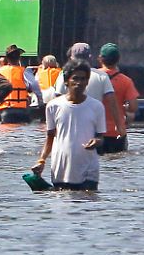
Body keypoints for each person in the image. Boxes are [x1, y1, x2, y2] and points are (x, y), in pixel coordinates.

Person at [30, 60, 106, 191]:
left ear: (87, 82)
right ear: (66, 81)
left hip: (88, 169)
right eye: (75, 78)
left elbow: (101, 136)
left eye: (83, 79)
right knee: (62, 206)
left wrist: (97, 141)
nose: (79, 83)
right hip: (61, 168)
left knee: (89, 205)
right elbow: (50, 138)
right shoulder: (53, 106)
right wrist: (41, 161)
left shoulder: (96, 106)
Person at [54, 43, 126, 139]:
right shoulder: (102, 76)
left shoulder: (64, 75)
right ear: (90, 57)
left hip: (70, 128)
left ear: (71, 58)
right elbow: (112, 102)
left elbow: (57, 101)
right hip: (93, 129)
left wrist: (55, 127)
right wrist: (119, 126)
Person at [99, 43, 139, 154]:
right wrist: (124, 108)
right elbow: (133, 107)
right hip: (117, 132)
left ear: (100, 59)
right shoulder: (126, 81)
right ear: (118, 60)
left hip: (95, 133)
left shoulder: (92, 78)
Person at [0, 45, 43, 124]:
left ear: (7, 58)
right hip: (22, 110)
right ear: (19, 58)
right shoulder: (24, 71)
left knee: (7, 132)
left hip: (5, 110)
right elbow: (35, 86)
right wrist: (40, 103)